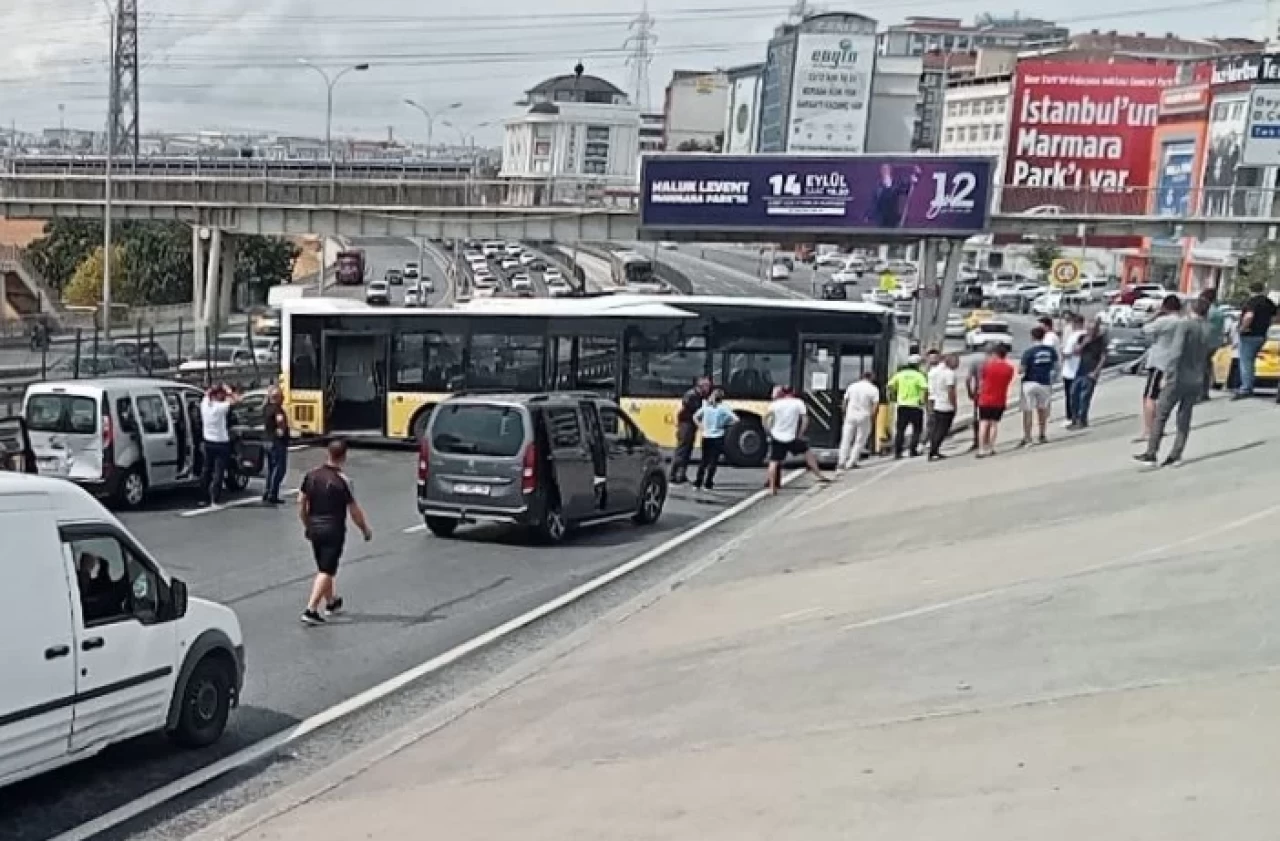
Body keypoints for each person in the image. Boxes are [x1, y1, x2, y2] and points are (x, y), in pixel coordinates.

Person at [299, 440, 372, 626]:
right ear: (344, 456)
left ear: (328, 453)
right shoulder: (344, 481)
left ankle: (331, 602)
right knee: (326, 570)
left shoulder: (311, 475)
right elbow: (354, 510)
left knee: (325, 567)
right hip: (333, 529)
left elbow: (301, 502)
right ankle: (311, 609)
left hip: (315, 527)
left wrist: (307, 524)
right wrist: (365, 529)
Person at [1137, 298, 1211, 467]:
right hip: (1196, 377)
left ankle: (1152, 452)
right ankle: (1176, 454)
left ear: (1192, 308)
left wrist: (1167, 375)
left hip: (1178, 377)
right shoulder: (1207, 328)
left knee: (1161, 415)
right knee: (1184, 417)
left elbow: (1176, 352)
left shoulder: (1184, 326)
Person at [764, 387, 827, 495]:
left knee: (774, 461)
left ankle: (772, 488)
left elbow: (765, 418)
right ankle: (819, 475)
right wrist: (800, 433)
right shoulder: (798, 403)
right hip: (791, 437)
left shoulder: (775, 404)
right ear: (793, 393)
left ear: (782, 393)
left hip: (777, 436)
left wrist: (769, 431)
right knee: (808, 453)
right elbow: (805, 420)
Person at [1139, 295, 1185, 441]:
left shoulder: (1163, 321)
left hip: (1159, 361)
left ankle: (1149, 430)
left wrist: (1156, 314)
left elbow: (1144, 329)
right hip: (1175, 361)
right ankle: (1159, 426)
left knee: (1149, 397)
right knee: (1163, 397)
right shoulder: (1184, 322)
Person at [1233, 281, 1276, 399]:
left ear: (1250, 290)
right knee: (1251, 361)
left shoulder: (1251, 302)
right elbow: (1274, 316)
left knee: (1246, 362)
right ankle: (1248, 385)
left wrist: (1242, 329)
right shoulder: (1269, 302)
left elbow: (1249, 316)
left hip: (1249, 335)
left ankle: (1246, 388)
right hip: (1262, 335)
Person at [199, 384, 238, 507]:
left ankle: (203, 497)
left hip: (208, 441)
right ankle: (214, 498)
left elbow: (206, 394)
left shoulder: (204, 405)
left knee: (206, 470)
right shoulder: (220, 407)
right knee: (218, 472)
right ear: (217, 395)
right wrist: (229, 390)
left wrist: (214, 388)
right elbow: (236, 400)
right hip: (221, 443)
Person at [1019, 326, 1059, 446]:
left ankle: (1027, 438)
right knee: (1042, 410)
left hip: (1030, 382)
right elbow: (1056, 367)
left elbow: (1021, 370)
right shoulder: (1051, 351)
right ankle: (1042, 435)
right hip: (1045, 383)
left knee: (1028, 411)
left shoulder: (1028, 352)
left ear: (1032, 337)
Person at [976, 344, 1016, 458]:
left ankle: (981, 448)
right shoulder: (1009, 368)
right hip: (1000, 399)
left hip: (985, 398)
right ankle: (991, 447)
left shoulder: (987, 366)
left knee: (983, 423)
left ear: (995, 354)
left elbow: (981, 381)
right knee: (994, 424)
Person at [692, 389, 737, 491]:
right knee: (713, 461)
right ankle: (708, 483)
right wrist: (725, 424)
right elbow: (735, 419)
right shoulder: (723, 408)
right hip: (717, 436)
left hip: (706, 436)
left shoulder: (706, 407)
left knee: (704, 460)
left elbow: (695, 417)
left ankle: (698, 482)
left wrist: (701, 426)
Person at [670, 377, 711, 484]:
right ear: (700, 386)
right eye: (707, 386)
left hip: (691, 425)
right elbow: (691, 407)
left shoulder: (699, 396)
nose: (708, 389)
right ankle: (672, 475)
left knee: (688, 450)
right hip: (686, 425)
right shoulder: (692, 395)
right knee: (682, 450)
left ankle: (681, 474)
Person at [1068, 319, 1108, 429]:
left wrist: (1096, 371)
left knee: (1084, 397)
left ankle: (1082, 420)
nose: (1090, 331)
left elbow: (1103, 357)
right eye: (1088, 328)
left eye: (1093, 329)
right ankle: (1074, 419)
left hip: (1091, 371)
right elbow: (1076, 352)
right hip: (1080, 370)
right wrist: (1084, 342)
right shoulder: (1082, 338)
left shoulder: (1101, 340)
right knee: (1073, 394)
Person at [887, 355, 928, 460]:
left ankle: (898, 452)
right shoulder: (919, 376)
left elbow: (890, 386)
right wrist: (923, 401)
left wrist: (893, 396)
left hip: (902, 406)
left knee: (900, 430)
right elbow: (924, 389)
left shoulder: (900, 375)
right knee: (917, 430)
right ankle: (912, 451)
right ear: (917, 364)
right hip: (915, 406)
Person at [838, 371, 880, 471]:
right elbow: (875, 405)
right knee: (860, 440)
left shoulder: (852, 386)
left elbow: (845, 402)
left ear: (861, 377)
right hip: (864, 416)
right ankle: (852, 462)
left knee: (846, 439)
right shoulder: (873, 389)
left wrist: (844, 414)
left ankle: (841, 462)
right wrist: (872, 417)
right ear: (871, 378)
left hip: (850, 415)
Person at [926, 353, 960, 461]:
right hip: (946, 404)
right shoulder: (949, 374)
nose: (957, 364)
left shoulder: (934, 371)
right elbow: (951, 391)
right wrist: (954, 405)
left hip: (937, 403)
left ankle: (934, 450)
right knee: (942, 430)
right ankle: (934, 451)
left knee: (936, 428)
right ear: (949, 361)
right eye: (956, 362)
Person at [262, 386, 290, 505]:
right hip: (276, 442)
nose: (283, 398)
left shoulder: (266, 408)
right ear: (277, 398)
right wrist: (282, 431)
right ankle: (273, 493)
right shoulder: (277, 409)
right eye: (282, 396)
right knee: (279, 468)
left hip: (267, 441)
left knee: (271, 468)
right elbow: (280, 422)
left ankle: (267, 491)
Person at [1059, 313, 1086, 426]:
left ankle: (1071, 418)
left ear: (1075, 323)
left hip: (1070, 370)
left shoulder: (1074, 336)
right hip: (1083, 369)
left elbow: (1067, 353)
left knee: (1070, 395)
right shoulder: (1087, 335)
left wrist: (1062, 353)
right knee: (1081, 396)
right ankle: (1081, 417)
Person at [965, 346, 992, 453]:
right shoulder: (993, 361)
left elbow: (968, 379)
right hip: (991, 391)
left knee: (978, 416)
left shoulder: (975, 361)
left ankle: (977, 440)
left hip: (979, 392)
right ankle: (987, 440)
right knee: (990, 417)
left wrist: (970, 392)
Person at [1200, 288, 1225, 401]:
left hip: (1205, 342)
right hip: (1215, 342)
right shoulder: (1219, 312)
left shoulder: (1207, 311)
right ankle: (1205, 391)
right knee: (1207, 365)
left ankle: (1200, 392)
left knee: (1200, 367)